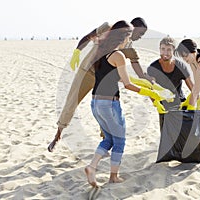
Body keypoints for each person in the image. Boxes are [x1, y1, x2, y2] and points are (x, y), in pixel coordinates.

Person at [48, 17, 153, 152]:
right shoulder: (108, 27)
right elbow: (87, 37)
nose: (140, 37)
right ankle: (57, 136)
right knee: (72, 102)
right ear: (134, 27)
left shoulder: (128, 45)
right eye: (141, 33)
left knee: (106, 107)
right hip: (87, 72)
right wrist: (77, 52)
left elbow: (136, 65)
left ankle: (105, 142)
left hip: (104, 78)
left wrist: (146, 79)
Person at [84, 20, 165, 187]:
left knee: (109, 139)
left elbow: (119, 78)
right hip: (109, 103)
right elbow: (127, 84)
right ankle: (113, 176)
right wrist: (150, 92)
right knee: (119, 140)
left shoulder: (101, 52)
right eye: (130, 36)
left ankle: (92, 167)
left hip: (95, 102)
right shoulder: (118, 55)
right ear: (125, 36)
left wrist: (144, 83)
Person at [147, 36, 193, 129]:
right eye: (163, 49)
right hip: (163, 106)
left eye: (168, 50)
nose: (165, 53)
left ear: (173, 51)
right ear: (159, 49)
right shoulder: (153, 68)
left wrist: (191, 103)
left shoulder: (181, 66)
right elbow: (150, 88)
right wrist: (156, 104)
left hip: (180, 103)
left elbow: (193, 88)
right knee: (166, 135)